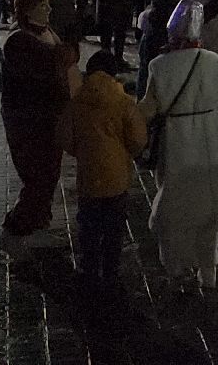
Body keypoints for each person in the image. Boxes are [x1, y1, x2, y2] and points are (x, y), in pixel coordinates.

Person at [140, 0, 218, 288]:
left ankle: (176, 267)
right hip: (214, 137)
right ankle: (208, 269)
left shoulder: (159, 66)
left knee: (177, 206)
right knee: (211, 206)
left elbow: (147, 108)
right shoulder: (213, 61)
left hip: (180, 140)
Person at [0, 0, 80, 250]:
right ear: (28, 9)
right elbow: (51, 62)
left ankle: (37, 221)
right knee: (38, 175)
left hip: (48, 116)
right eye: (43, 5)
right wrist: (69, 50)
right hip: (27, 120)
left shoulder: (45, 33)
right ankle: (18, 225)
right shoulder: (19, 40)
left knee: (49, 172)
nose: (48, 9)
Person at [69, 52, 146, 290]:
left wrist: (81, 150)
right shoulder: (123, 101)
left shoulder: (77, 100)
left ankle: (89, 268)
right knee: (113, 226)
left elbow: (63, 134)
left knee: (89, 224)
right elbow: (138, 138)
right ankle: (111, 270)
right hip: (116, 178)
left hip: (89, 177)